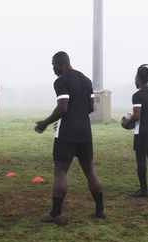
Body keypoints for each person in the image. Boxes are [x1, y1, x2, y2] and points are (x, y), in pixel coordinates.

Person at [35, 51, 105, 225]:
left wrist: (45, 122)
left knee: (60, 171)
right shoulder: (86, 80)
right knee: (89, 170)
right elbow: (91, 107)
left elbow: (63, 107)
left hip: (67, 133)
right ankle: (100, 210)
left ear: (59, 63)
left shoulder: (61, 81)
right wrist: (79, 114)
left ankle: (56, 214)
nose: (53, 69)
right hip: (85, 132)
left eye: (53, 65)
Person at [122, 64, 148, 197]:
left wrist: (126, 122)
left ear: (138, 79)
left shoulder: (137, 95)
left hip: (143, 132)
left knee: (141, 159)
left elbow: (137, 116)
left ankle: (144, 190)